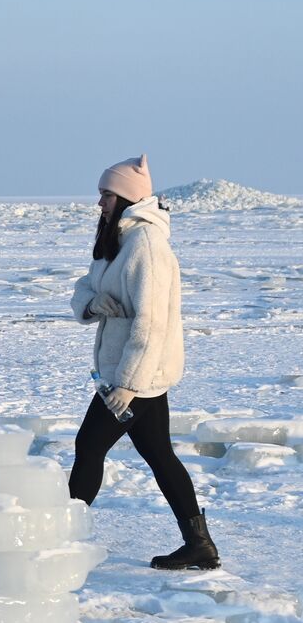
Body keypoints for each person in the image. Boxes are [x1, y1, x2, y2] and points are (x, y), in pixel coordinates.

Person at [68, 154, 219, 570]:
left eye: (106, 195)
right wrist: (92, 302)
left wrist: (129, 384)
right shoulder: (115, 241)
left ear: (126, 198)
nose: (99, 203)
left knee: (89, 446)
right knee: (159, 455)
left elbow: (152, 324)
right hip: (128, 375)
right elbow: (85, 286)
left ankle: (62, 538)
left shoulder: (146, 246)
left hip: (135, 378)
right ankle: (200, 545)